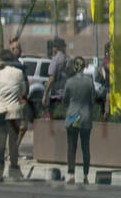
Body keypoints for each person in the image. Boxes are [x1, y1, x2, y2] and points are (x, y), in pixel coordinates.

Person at [0, 50, 29, 182]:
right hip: (15, 111)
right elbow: (23, 92)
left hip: (0, 111)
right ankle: (14, 169)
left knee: (0, 143)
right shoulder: (19, 73)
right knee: (13, 143)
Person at [62, 56, 98, 184]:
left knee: (71, 145)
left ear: (74, 67)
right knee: (85, 146)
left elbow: (65, 99)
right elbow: (93, 99)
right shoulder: (89, 81)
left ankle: (71, 174)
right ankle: (85, 175)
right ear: (84, 67)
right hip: (85, 115)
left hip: (73, 115)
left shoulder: (69, 82)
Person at [41, 37, 68, 118]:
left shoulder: (55, 60)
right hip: (65, 95)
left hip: (55, 96)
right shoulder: (68, 59)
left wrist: (45, 95)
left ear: (55, 47)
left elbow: (51, 79)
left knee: (54, 119)